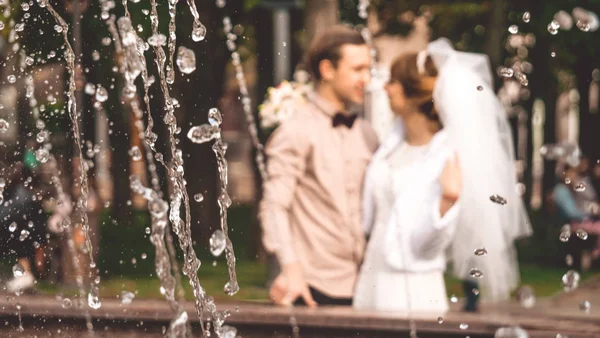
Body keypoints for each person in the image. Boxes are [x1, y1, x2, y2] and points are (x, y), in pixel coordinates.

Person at [259, 25, 378, 307]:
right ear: (328, 70)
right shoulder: (296, 131)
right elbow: (274, 206)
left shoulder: (368, 134)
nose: (367, 79)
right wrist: (291, 271)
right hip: (313, 290)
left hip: (366, 288)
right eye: (358, 69)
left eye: (368, 69)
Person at [426, 38, 532, 311]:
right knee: (472, 230)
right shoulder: (464, 78)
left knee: (464, 228)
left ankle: (467, 292)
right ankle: (469, 292)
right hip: (478, 161)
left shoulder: (448, 81)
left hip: (462, 161)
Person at [353, 51, 462, 313]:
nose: (385, 87)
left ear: (414, 93)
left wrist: (447, 203)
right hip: (371, 275)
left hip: (411, 286)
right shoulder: (390, 147)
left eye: (393, 81)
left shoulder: (448, 157)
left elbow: (428, 249)